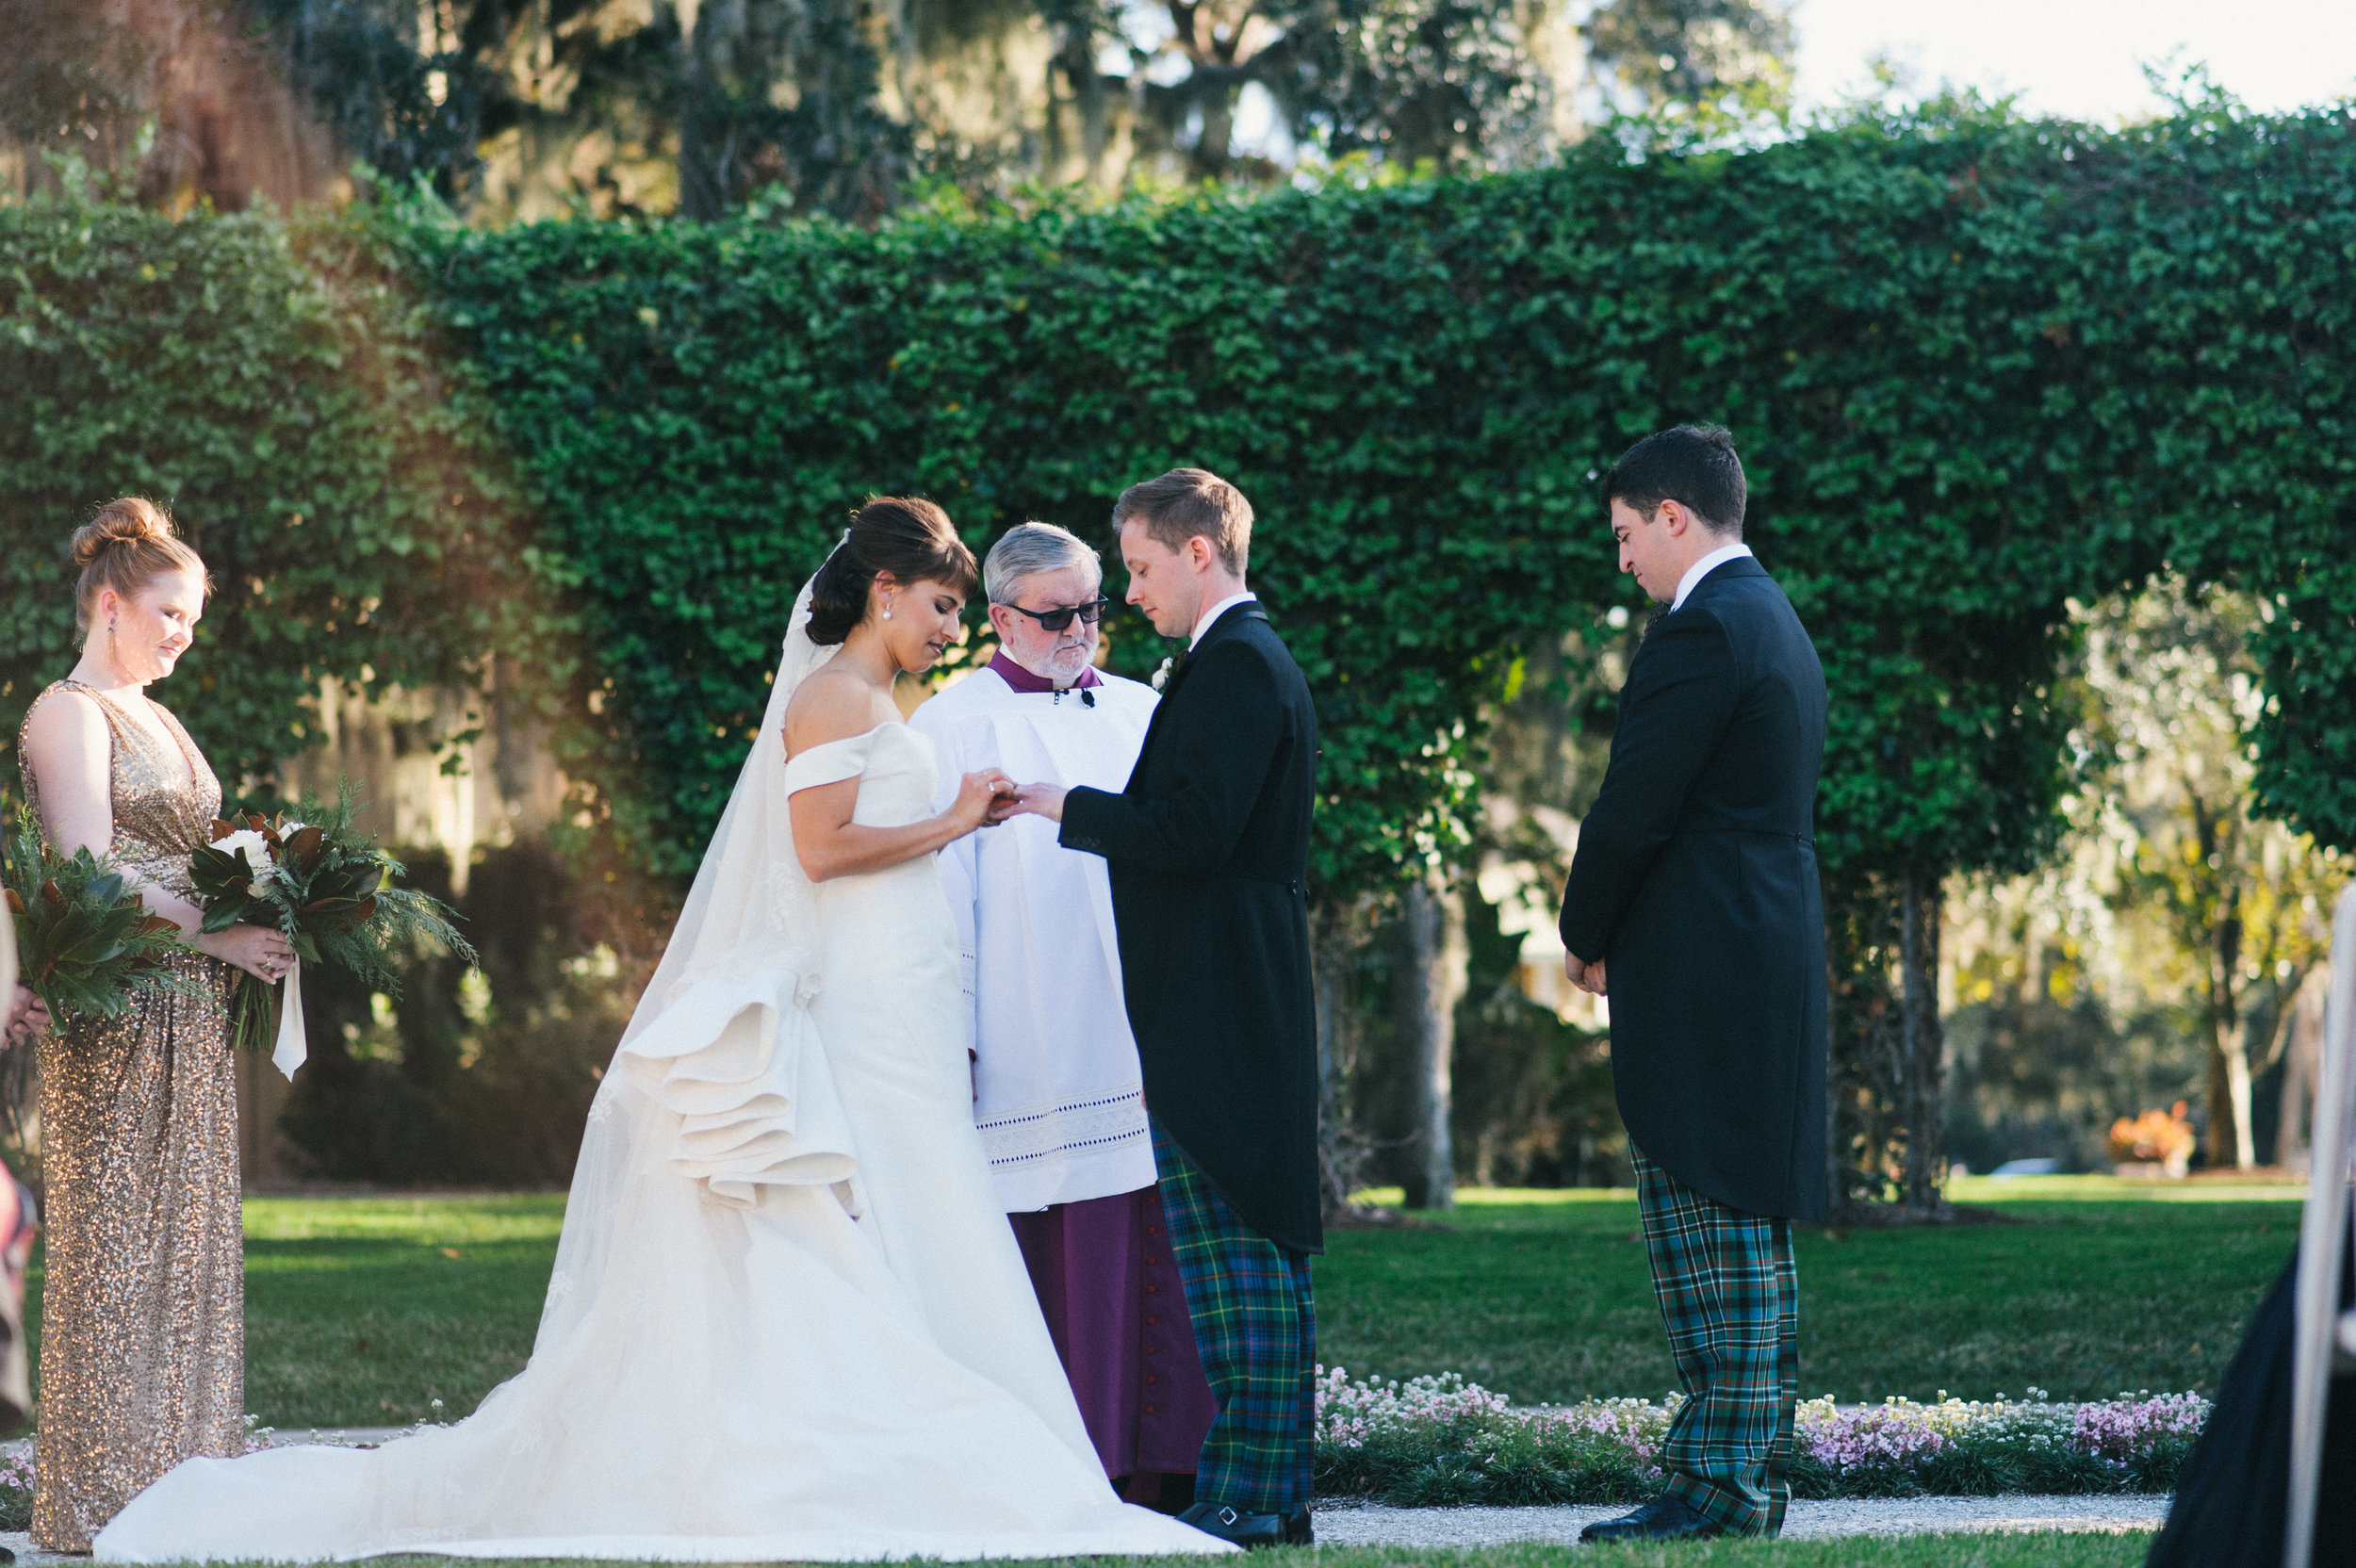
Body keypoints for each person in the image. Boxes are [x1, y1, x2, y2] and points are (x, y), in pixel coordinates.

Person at [94, 498, 1229, 1563]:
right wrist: (951, 818)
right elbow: (824, 848)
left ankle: (930, 1420)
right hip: (873, 992)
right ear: (884, 590)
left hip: (904, 989)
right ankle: (901, 1436)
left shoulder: (881, 701)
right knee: (896, 1188)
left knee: (909, 1195)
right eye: (939, 606)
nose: (949, 629)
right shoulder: (831, 697)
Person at [1007, 469, 1322, 1550]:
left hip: (1223, 1000)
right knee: (1245, 1253)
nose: (1128, 593)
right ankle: (1262, 1490)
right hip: (1230, 990)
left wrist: (1065, 804)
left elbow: (1191, 833)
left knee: (1243, 1256)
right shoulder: (1232, 660)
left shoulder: (1236, 664)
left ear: (1198, 552)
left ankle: (1253, 1494)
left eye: (1138, 568)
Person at [1554, 425, 1829, 1544]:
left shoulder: (1702, 627)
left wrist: (1583, 930)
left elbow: (1633, 806)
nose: (1622, 559)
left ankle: (1719, 1487)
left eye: (1626, 534)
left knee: (1713, 1220)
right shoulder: (1770, 615)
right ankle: (1732, 1476)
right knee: (1735, 1218)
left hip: (1705, 961)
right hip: (1752, 949)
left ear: (1674, 516)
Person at [910, 522, 1218, 1508]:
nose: (1084, 626)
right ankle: (1073, 1456)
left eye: (1093, 605)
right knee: (1065, 1230)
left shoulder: (1143, 707)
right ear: (1000, 617)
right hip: (1030, 1026)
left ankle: (1174, 1457)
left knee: (1165, 1228)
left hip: (1148, 1014)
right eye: (1057, 613)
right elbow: (939, 896)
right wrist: (953, 1033)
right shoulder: (950, 727)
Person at [17, 499, 296, 1552]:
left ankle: (186, 1480)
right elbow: (90, 872)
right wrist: (219, 938)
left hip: (187, 1010)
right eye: (170, 612)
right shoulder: (68, 713)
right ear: (109, 602)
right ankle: (101, 1495)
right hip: (120, 1009)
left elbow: (190, 854)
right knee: (119, 1249)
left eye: (193, 617)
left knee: (189, 1246)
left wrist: (271, 899)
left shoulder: (161, 716)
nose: (185, 632)